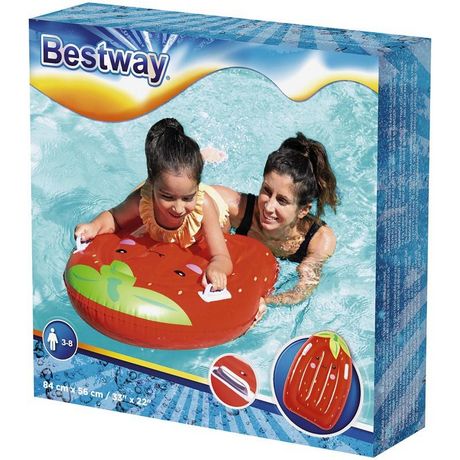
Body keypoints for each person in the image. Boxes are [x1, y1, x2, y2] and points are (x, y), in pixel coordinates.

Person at [75, 118, 232, 291]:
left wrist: (218, 267)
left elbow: (222, 256)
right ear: (152, 183)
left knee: (222, 223)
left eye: (187, 198)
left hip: (215, 212)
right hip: (171, 186)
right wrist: (94, 226)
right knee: (173, 178)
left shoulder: (203, 206)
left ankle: (200, 158)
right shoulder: (143, 199)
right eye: (167, 197)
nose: (179, 208)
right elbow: (115, 218)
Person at [213, 132, 338, 309]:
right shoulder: (236, 209)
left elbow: (300, 292)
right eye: (266, 190)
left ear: (303, 210)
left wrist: (264, 302)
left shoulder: (319, 240)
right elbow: (199, 196)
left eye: (282, 200)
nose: (268, 207)